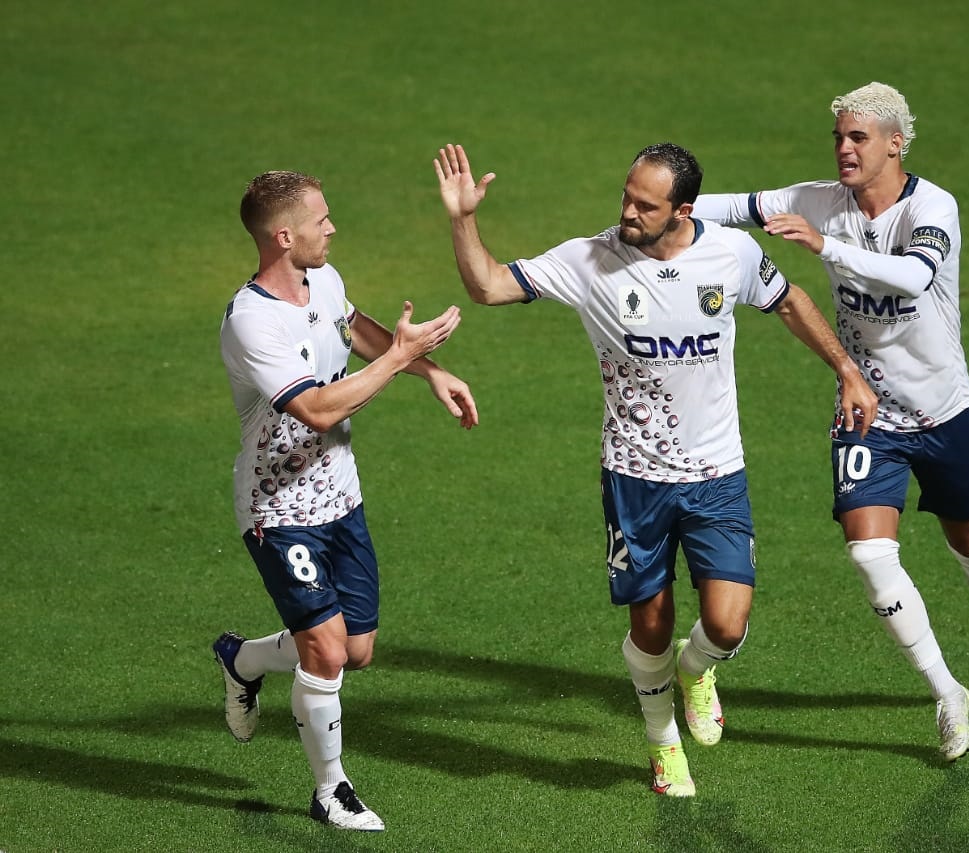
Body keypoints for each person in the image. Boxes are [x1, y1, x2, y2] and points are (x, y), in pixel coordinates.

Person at [434, 142, 877, 796]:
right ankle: (662, 743)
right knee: (651, 626)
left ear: (683, 209)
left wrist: (847, 371)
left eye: (646, 204)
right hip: (634, 480)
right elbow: (489, 285)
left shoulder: (731, 254)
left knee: (725, 624)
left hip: (717, 473)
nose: (628, 211)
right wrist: (462, 219)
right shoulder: (593, 258)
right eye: (626, 196)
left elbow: (786, 301)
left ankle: (697, 671)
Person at [694, 81, 969, 762]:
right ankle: (946, 692)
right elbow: (731, 205)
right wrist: (656, 204)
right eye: (839, 137)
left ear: (894, 143)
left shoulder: (932, 208)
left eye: (859, 138)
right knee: (870, 553)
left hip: (944, 409)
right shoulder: (817, 199)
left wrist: (825, 247)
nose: (845, 149)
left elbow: (912, 275)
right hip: (868, 410)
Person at [214, 170, 478, 831]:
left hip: (341, 498)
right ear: (284, 235)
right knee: (327, 652)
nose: (331, 228)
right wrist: (402, 360)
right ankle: (331, 790)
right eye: (320, 220)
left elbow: (355, 326)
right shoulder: (251, 324)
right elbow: (317, 407)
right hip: (278, 510)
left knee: (355, 649)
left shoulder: (322, 279)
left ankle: (244, 658)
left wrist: (427, 369)